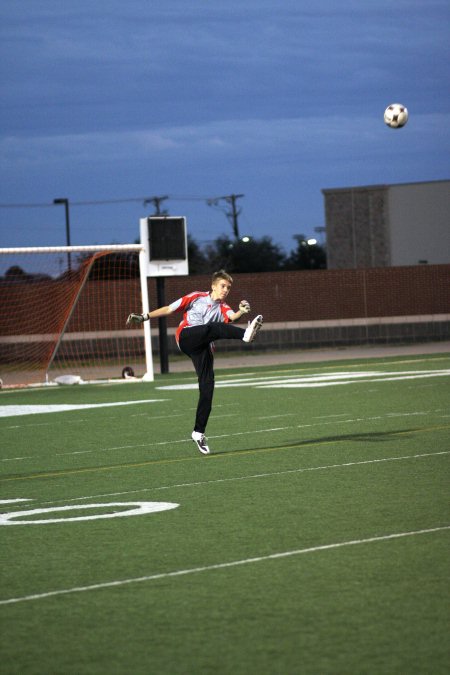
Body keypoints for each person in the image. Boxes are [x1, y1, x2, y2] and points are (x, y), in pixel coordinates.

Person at [126, 270, 263, 455]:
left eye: (228, 288)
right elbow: (169, 308)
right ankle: (245, 335)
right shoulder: (195, 297)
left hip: (204, 346)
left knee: (207, 389)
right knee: (214, 327)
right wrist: (144, 317)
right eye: (223, 286)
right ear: (213, 285)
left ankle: (198, 433)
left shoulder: (223, 306)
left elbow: (231, 317)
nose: (225, 290)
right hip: (186, 337)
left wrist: (241, 311)